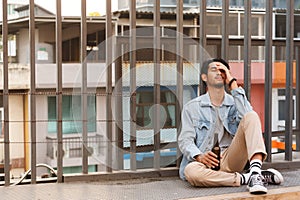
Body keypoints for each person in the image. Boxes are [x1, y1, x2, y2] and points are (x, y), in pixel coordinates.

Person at [178, 58, 283, 194]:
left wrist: (232, 83)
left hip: (230, 158)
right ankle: (248, 178)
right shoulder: (192, 108)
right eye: (213, 69)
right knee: (190, 172)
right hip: (205, 163)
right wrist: (199, 156)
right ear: (204, 77)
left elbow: (249, 118)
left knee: (251, 115)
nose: (219, 73)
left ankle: (256, 172)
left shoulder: (235, 102)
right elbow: (185, 140)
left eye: (222, 70)